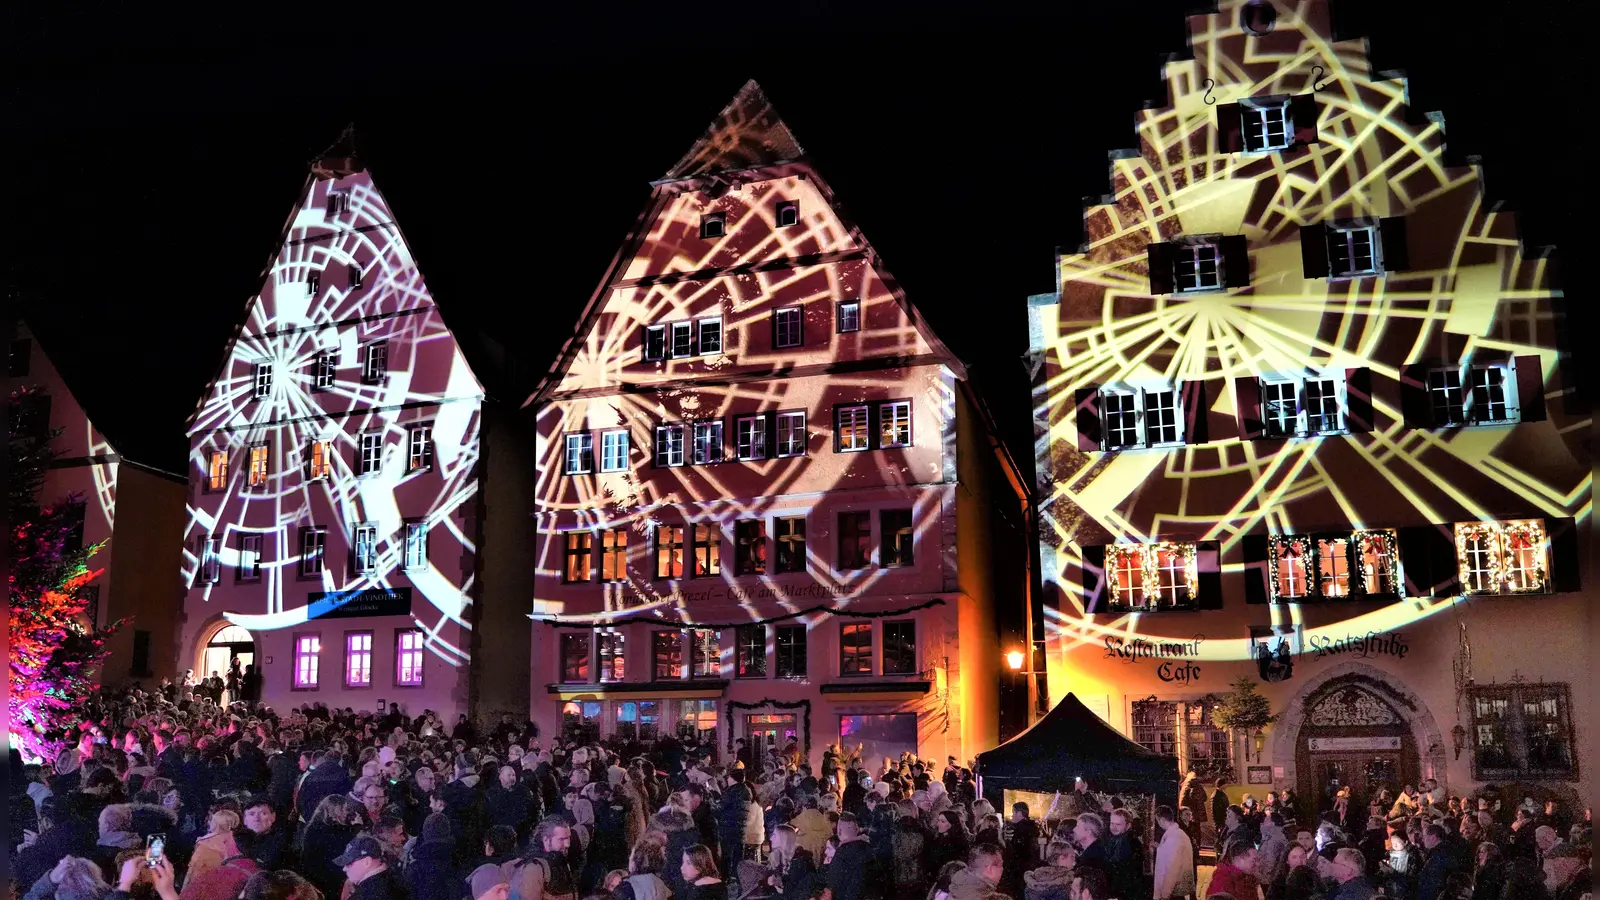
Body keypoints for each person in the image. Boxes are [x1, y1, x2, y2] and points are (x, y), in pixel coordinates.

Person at [506, 815, 579, 900]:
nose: (567, 844)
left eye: (568, 838)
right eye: (561, 839)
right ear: (546, 840)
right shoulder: (535, 866)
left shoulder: (560, 859)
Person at [335, 834, 409, 900]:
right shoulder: (397, 875)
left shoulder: (366, 895)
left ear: (367, 862)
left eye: (349, 864)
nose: (344, 868)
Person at [1152, 806, 1195, 900]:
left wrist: (1165, 894)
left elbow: (1172, 868)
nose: (1158, 824)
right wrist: (1160, 847)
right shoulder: (1178, 834)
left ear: (1162, 819)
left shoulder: (1173, 838)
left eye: (1157, 820)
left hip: (1173, 891)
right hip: (1176, 889)